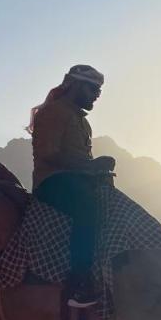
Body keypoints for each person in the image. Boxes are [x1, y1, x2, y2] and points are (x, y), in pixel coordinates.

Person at [27, 64, 116, 307]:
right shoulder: (54, 112)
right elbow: (48, 153)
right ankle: (80, 282)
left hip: (76, 180)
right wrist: (91, 166)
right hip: (53, 182)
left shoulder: (81, 120)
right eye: (93, 88)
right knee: (88, 210)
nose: (97, 94)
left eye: (99, 90)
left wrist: (97, 169)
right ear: (75, 85)